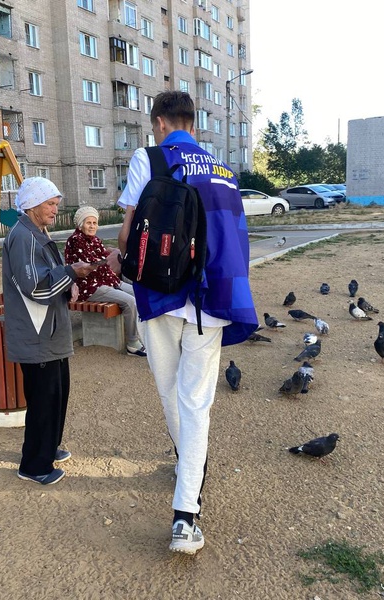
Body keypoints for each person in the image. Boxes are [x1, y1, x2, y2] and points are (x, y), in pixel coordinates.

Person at [117, 91, 259, 554]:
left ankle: (189, 469)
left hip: (161, 295)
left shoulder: (149, 158)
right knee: (196, 401)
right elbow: (235, 241)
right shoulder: (223, 172)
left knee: (169, 391)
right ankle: (185, 516)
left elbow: (127, 232)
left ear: (160, 123)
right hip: (211, 300)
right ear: (192, 124)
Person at [2, 177, 98, 485]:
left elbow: (49, 275)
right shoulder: (23, 237)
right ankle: (34, 465)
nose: (55, 210)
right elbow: (35, 287)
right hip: (36, 333)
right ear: (31, 206)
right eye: (50, 204)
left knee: (57, 393)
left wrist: (68, 283)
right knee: (43, 399)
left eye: (56, 204)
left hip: (50, 331)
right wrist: (71, 272)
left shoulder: (36, 232)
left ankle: (48, 449)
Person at [64, 206, 146, 357]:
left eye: (95, 223)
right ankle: (133, 344)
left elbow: (103, 263)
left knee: (141, 294)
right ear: (80, 224)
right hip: (90, 287)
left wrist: (109, 268)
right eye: (88, 222)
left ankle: (143, 337)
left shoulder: (95, 240)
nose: (92, 226)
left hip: (107, 281)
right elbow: (90, 268)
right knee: (130, 302)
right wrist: (103, 263)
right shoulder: (75, 241)